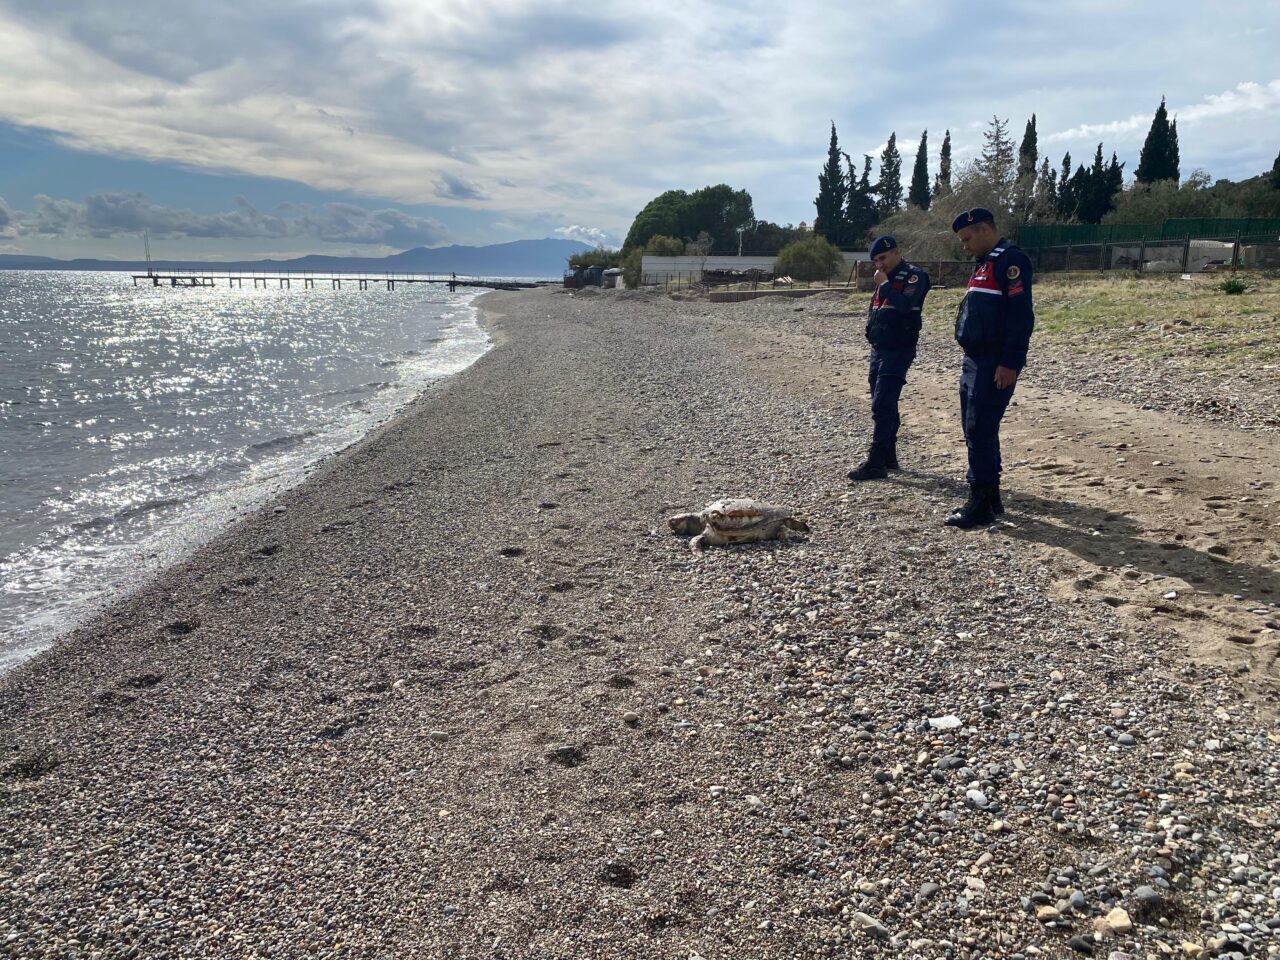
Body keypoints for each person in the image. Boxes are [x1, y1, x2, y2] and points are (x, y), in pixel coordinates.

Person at [945, 207, 1035, 528]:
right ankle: (992, 496)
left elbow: (1020, 316)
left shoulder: (1010, 260)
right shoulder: (984, 263)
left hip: (994, 362)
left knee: (980, 427)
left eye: (968, 238)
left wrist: (1010, 362)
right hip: (974, 360)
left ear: (985, 230)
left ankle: (979, 501)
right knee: (976, 427)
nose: (965, 245)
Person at [847, 236, 931, 481]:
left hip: (899, 347)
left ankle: (876, 460)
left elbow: (905, 305)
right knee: (882, 400)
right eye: (875, 261)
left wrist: (884, 285)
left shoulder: (914, 276)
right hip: (879, 347)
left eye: (882, 258)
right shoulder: (882, 279)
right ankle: (889, 455)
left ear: (896, 253)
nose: (879, 265)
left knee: (883, 401)